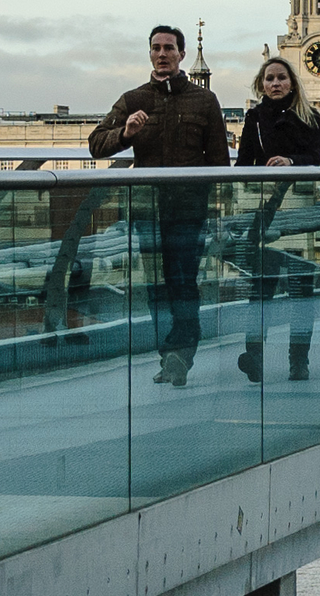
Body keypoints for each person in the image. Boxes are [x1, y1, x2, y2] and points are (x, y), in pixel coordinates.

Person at [87, 25, 230, 387]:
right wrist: (126, 134)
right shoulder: (134, 99)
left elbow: (219, 163)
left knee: (182, 281)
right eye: (156, 48)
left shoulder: (204, 101)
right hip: (148, 210)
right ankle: (169, 355)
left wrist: (214, 211)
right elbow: (96, 145)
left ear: (182, 55)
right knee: (155, 286)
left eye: (169, 48)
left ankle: (181, 351)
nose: (162, 54)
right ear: (149, 54)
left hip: (189, 210)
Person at [235, 55, 320, 383]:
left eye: (281, 78)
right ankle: (254, 357)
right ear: (261, 84)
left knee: (302, 292)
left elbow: (315, 159)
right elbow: (243, 164)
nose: (275, 84)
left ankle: (298, 361)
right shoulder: (254, 119)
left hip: (301, 213)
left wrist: (290, 161)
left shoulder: (309, 117)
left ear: (292, 83)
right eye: (269, 78)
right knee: (260, 291)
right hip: (266, 216)